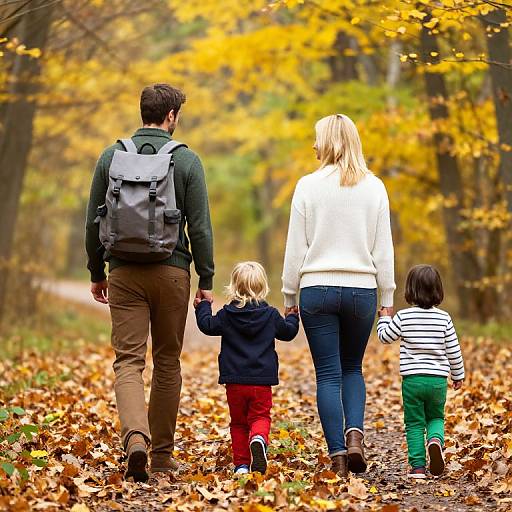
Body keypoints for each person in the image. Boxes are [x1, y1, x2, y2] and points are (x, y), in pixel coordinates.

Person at [85, 84, 214, 482]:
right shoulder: (187, 160)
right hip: (173, 271)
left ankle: (135, 439)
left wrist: (97, 271)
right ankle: (160, 456)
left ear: (143, 112)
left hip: (123, 272)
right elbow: (201, 227)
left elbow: (94, 219)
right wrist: (206, 279)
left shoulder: (111, 156)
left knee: (128, 361)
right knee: (167, 360)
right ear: (171, 115)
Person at [281, 114, 395, 478]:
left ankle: (337, 456)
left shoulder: (307, 186)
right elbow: (384, 249)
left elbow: (295, 247)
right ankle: (355, 435)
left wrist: (288, 293)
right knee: (352, 368)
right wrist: (388, 296)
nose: (313, 146)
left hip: (317, 289)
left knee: (327, 374)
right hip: (362, 290)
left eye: (317, 139)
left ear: (328, 142)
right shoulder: (374, 187)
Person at [194, 261, 299, 475]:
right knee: (260, 417)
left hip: (234, 382)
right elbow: (288, 333)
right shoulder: (270, 315)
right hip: (261, 382)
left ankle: (241, 465)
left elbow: (207, 325)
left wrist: (203, 306)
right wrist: (292, 316)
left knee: (239, 423)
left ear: (234, 286)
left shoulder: (227, 314)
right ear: (263, 286)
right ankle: (259, 439)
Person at [377, 264, 465, 479]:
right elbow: (453, 349)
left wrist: (384, 318)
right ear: (438, 290)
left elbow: (385, 337)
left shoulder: (404, 317)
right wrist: (458, 375)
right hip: (437, 381)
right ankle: (435, 440)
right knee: (436, 417)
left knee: (414, 423)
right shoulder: (444, 318)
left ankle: (417, 468)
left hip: (413, 381)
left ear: (410, 290)